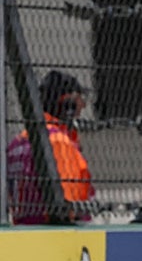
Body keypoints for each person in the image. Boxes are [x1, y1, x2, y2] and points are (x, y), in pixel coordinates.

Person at [6, 69, 94, 224]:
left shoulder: (17, 142)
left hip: (23, 228)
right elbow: (69, 206)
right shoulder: (58, 142)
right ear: (67, 105)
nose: (83, 106)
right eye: (79, 100)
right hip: (56, 230)